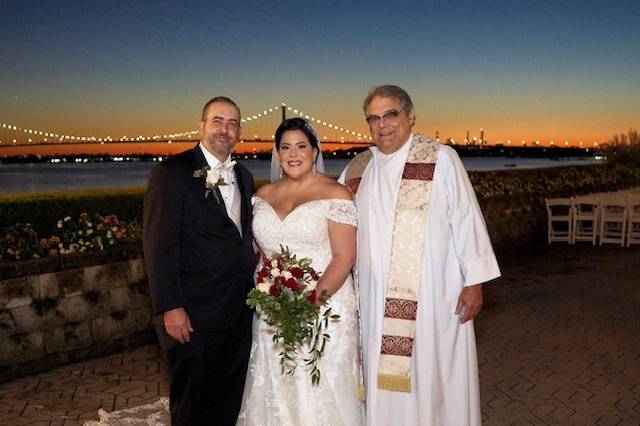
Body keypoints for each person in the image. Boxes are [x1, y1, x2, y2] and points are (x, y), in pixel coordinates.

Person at [339, 85, 501, 425]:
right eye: (373, 118)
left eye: (390, 114)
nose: (382, 124)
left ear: (411, 116)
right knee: (380, 374)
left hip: (434, 295)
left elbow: (466, 217)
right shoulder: (357, 168)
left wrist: (474, 282)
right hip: (372, 296)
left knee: (432, 375)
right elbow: (333, 219)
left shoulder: (440, 158)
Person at [237, 117, 364, 426]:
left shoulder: (336, 194)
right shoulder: (261, 197)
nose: (293, 154)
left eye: (301, 146)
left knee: (319, 389)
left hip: (325, 308)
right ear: (277, 154)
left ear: (315, 151)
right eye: (285, 147)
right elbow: (258, 252)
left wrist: (309, 304)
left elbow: (344, 257)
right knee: (278, 387)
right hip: (273, 313)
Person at [143, 96, 256, 426]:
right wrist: (170, 306)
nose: (225, 129)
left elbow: (240, 238)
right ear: (201, 126)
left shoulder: (245, 176)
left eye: (232, 123)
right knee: (192, 405)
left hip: (237, 313)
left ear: (239, 132)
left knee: (228, 402)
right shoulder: (171, 173)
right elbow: (158, 245)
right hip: (192, 315)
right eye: (217, 121)